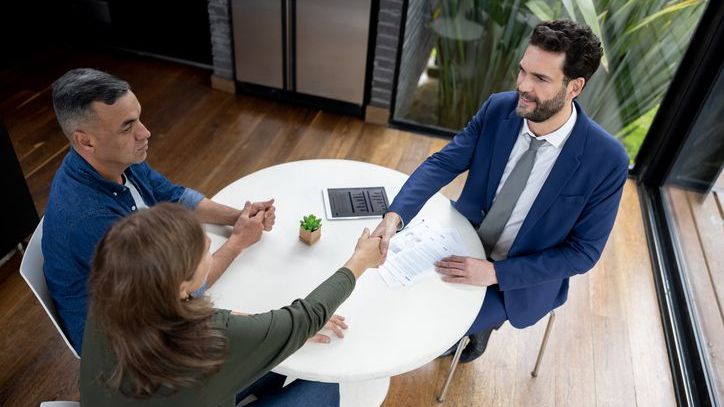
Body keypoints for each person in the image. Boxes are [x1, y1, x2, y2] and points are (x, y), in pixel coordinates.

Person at [372, 19, 629, 363]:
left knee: (433, 326)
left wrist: (494, 274)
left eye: (540, 79)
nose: (523, 86)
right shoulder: (499, 109)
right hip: (463, 239)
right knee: (387, 293)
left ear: (574, 87)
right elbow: (442, 164)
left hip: (518, 278)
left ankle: (477, 329)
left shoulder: (607, 160)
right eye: (523, 71)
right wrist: (394, 217)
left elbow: (583, 253)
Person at [42, 68, 276, 354]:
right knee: (277, 343)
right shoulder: (91, 221)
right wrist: (238, 241)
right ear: (85, 141)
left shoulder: (115, 158)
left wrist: (239, 216)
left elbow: (174, 196)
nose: (145, 132)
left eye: (138, 117)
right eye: (127, 127)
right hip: (130, 349)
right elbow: (180, 291)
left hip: (153, 303)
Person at [81, 203, 383, 406]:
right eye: (202, 248)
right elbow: (306, 317)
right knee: (325, 385)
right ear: (183, 287)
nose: (210, 243)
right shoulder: (210, 339)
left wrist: (269, 328)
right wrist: (359, 262)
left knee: (279, 358)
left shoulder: (114, 294)